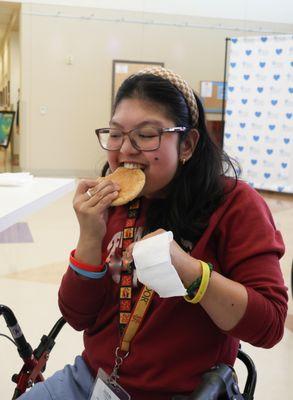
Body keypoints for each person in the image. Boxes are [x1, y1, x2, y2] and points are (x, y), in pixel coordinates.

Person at [20, 67, 288, 400]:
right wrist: (90, 236)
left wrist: (190, 271)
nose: (125, 150)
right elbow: (77, 316)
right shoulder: (115, 199)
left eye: (146, 135)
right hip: (93, 379)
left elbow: (270, 325)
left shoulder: (234, 205)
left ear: (187, 143)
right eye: (116, 134)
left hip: (183, 393)